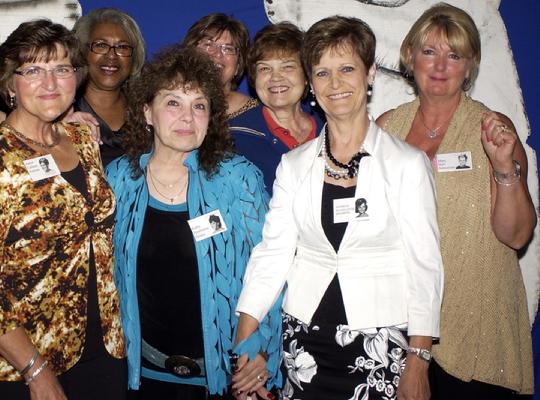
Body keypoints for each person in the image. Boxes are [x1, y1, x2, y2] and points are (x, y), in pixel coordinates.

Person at [234, 16, 443, 400]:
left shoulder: (407, 164)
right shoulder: (294, 164)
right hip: (303, 342)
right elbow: (272, 255)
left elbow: (425, 265)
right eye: (323, 72)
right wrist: (244, 341)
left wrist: (419, 358)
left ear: (370, 74)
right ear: (312, 84)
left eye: (347, 69)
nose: (336, 84)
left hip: (383, 343)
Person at [377, 3, 536, 398]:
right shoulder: (385, 128)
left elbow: (517, 236)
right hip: (404, 329)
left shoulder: (494, 128)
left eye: (455, 55)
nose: (440, 65)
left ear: (470, 66)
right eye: (429, 51)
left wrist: (503, 168)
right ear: (410, 56)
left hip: (479, 325)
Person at [106, 45, 281, 399]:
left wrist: (259, 347)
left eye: (198, 105)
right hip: (142, 375)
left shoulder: (237, 179)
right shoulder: (119, 178)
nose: (187, 117)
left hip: (225, 376)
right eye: (173, 103)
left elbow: (269, 267)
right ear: (147, 112)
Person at [0, 19, 126, 400]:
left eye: (61, 69)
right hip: (27, 364)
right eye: (34, 70)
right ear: (9, 84)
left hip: (103, 348)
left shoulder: (83, 139)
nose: (50, 83)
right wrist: (35, 370)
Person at [229, 22, 324, 194]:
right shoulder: (232, 137)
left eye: (287, 67)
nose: (276, 77)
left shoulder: (331, 129)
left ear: (306, 76)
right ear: (253, 78)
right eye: (265, 68)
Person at [73, 7, 145, 167]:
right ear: (82, 51)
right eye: (100, 45)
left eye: (122, 47)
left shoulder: (147, 113)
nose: (112, 55)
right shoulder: (63, 113)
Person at [183, 13, 256, 119]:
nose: (217, 54)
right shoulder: (167, 109)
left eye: (228, 49)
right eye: (208, 45)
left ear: (238, 65)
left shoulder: (256, 116)